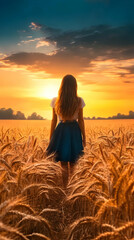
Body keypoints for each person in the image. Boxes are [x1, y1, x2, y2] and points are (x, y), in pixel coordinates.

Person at [46, 74, 86, 188]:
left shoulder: (56, 100)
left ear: (62, 86)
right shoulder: (79, 101)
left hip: (61, 131)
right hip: (74, 131)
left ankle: (65, 188)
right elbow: (81, 120)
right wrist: (84, 137)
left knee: (63, 163)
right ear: (75, 86)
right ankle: (72, 187)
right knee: (73, 163)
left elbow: (53, 120)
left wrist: (51, 138)